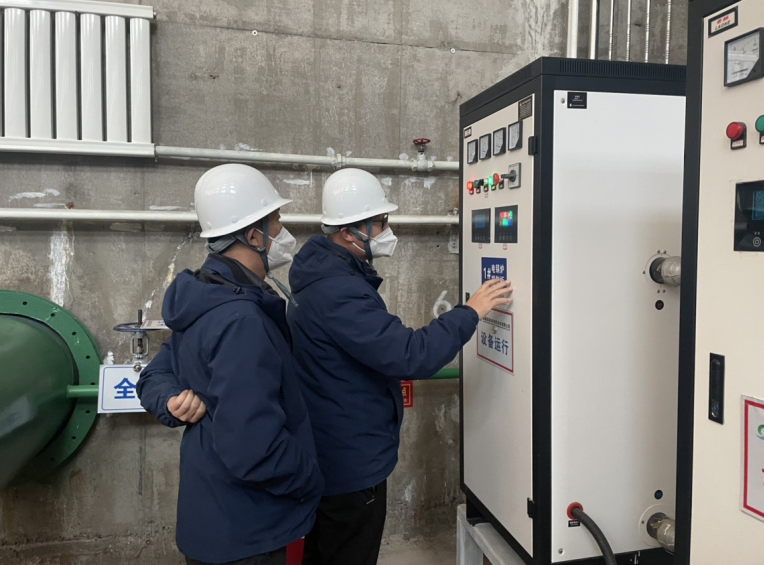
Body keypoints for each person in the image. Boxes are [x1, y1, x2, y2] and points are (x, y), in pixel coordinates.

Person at [286, 168, 513, 565]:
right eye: (380, 222)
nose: (387, 230)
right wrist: (471, 311)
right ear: (348, 233)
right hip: (349, 462)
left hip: (332, 447)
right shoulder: (338, 290)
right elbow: (411, 355)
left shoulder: (322, 274)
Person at [137, 163, 324, 565]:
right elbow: (254, 448)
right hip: (249, 528)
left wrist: (170, 398)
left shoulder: (206, 294)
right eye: (277, 221)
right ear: (254, 236)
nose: (283, 232)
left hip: (211, 514)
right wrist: (309, 477)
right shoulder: (240, 319)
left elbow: (155, 374)